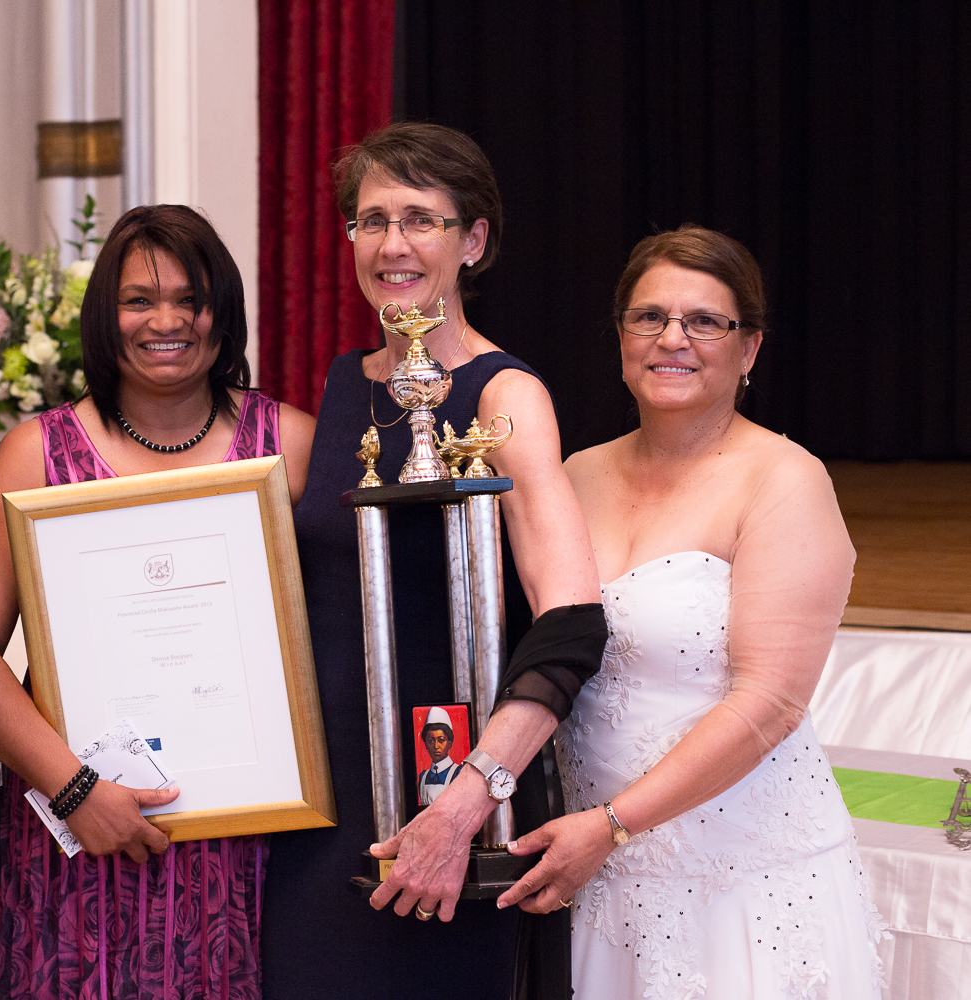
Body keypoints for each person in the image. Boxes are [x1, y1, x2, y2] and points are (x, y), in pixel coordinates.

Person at [261, 122, 608, 1000]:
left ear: (474, 240)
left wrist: (466, 803)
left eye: (421, 219)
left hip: (453, 805)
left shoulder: (505, 393)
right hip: (325, 818)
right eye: (371, 221)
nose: (392, 244)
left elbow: (569, 622)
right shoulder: (343, 384)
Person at [499, 225, 889, 997]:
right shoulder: (576, 473)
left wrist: (612, 825)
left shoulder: (785, 480)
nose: (672, 338)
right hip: (599, 883)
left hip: (742, 885)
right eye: (649, 317)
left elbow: (770, 703)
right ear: (620, 337)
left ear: (748, 350)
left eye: (705, 321)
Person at [0, 204, 315, 999]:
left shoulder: (292, 446)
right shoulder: (33, 456)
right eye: (139, 301)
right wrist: (74, 789)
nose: (168, 321)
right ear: (105, 319)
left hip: (252, 833)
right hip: (78, 825)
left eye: (191, 297)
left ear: (225, 311)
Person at [416, 706, 466, 806]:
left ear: (450, 743)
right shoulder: (423, 777)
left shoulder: (458, 772)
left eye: (441, 740)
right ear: (425, 744)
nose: (436, 746)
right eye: (430, 741)